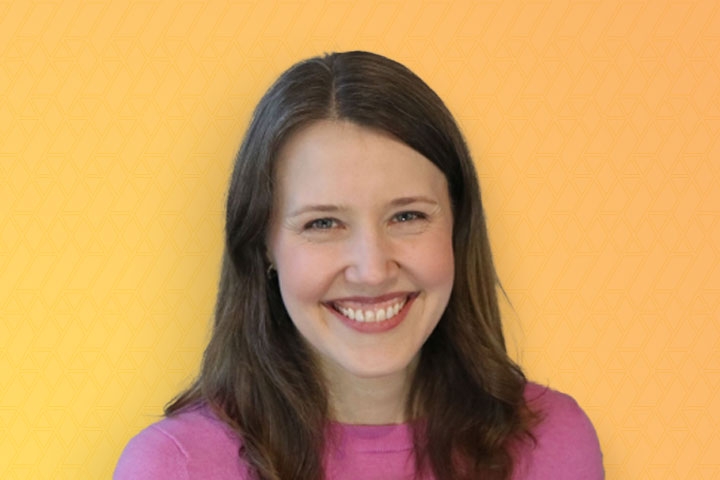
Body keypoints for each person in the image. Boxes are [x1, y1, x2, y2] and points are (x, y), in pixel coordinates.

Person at [114, 51, 604, 480]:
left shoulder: (555, 442)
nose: (372, 269)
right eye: (323, 224)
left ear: (457, 227)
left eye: (407, 216)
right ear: (263, 245)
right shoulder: (173, 467)